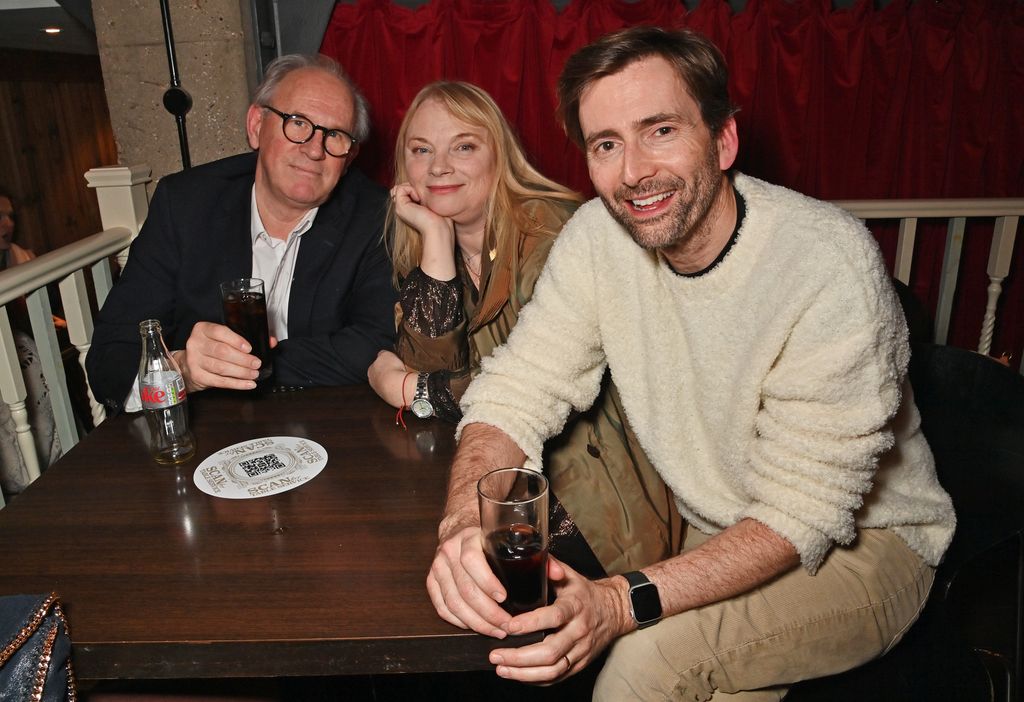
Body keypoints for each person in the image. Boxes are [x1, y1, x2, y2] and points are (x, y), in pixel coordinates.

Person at [426, 27, 956, 700]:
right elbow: (517, 388)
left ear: (724, 140)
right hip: (714, 527)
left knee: (645, 667)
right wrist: (463, 523)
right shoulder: (596, 240)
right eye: (607, 145)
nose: (634, 171)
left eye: (661, 131)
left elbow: (805, 513)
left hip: (868, 547)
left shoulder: (826, 262)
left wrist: (621, 603)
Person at [367, 81, 681, 577]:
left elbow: (527, 384)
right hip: (510, 486)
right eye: (421, 150)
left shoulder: (553, 233)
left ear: (500, 156)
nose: (439, 167)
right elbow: (439, 367)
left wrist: (409, 389)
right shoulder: (429, 242)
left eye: (464, 146)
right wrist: (434, 240)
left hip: (594, 500)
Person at [86, 54, 395, 414]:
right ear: (255, 125)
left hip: (329, 425)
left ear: (349, 159)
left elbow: (378, 343)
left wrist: (249, 364)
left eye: (336, 135)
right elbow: (111, 357)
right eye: (297, 123)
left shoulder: (376, 215)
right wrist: (183, 370)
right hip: (211, 431)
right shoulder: (184, 205)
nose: (314, 149)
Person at [0, 191, 61, 495]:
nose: (7, 224)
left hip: (24, 346)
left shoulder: (20, 257)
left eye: (11, 216)